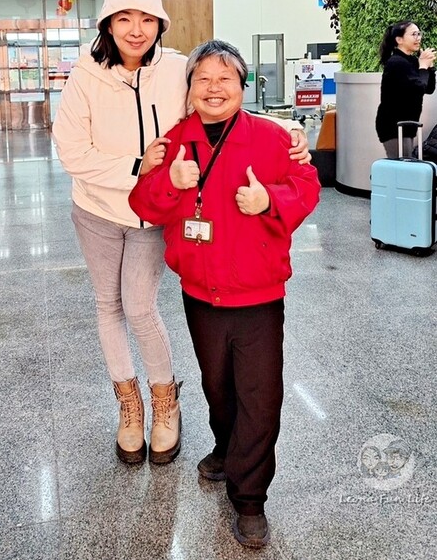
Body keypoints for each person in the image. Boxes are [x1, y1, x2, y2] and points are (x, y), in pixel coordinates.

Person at [53, 0, 310, 468]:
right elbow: (71, 151)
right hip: (98, 207)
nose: (135, 29)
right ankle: (129, 405)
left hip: (157, 210)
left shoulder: (174, 68)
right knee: (108, 306)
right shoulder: (84, 73)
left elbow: (217, 99)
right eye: (124, 18)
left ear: (160, 24)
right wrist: (137, 166)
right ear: (107, 23)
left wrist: (287, 125)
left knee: (140, 306)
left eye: (147, 18)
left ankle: (165, 401)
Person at [129, 39, 320, 548]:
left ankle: (250, 498)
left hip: (258, 296)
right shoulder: (173, 142)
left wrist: (269, 200)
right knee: (218, 386)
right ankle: (223, 447)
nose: (214, 88)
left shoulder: (272, 137)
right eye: (203, 79)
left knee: (260, 397)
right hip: (200, 294)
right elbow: (142, 202)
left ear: (243, 85)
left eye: (225, 78)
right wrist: (168, 181)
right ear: (189, 89)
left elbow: (308, 184)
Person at [375, 21, 436, 158]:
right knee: (402, 168)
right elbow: (418, 87)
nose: (418, 38)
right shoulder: (396, 62)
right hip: (394, 126)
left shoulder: (412, 61)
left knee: (405, 167)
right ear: (399, 40)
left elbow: (428, 88)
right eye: (414, 34)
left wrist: (429, 67)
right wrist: (423, 67)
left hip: (407, 125)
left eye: (419, 34)